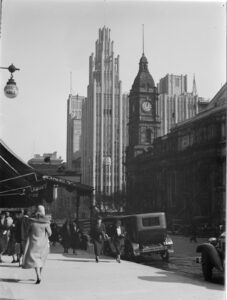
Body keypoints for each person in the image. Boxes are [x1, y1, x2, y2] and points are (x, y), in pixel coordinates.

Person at [22, 205, 52, 284]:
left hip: (34, 244)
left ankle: (38, 276)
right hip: (43, 244)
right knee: (41, 260)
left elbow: (27, 232)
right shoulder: (46, 222)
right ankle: (40, 275)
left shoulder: (32, 222)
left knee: (35, 260)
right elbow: (50, 233)